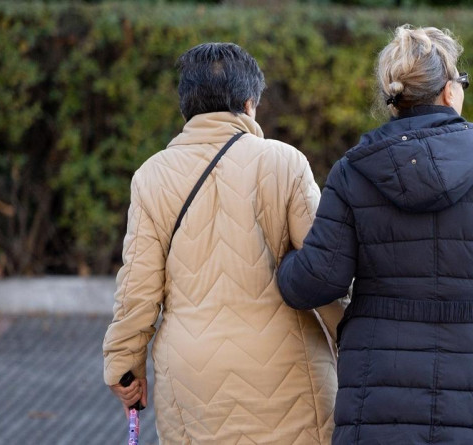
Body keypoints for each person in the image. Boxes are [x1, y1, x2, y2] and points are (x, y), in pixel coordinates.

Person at [276, 25, 473, 444]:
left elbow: (320, 279)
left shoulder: (354, 172)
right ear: (449, 92)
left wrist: (284, 263)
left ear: (395, 100)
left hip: (376, 402)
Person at [102, 43, 342, 444]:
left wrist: (124, 366)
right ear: (250, 103)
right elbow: (324, 270)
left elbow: (137, 288)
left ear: (186, 109)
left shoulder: (151, 176)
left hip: (193, 375)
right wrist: (354, 338)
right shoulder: (285, 162)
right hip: (288, 368)